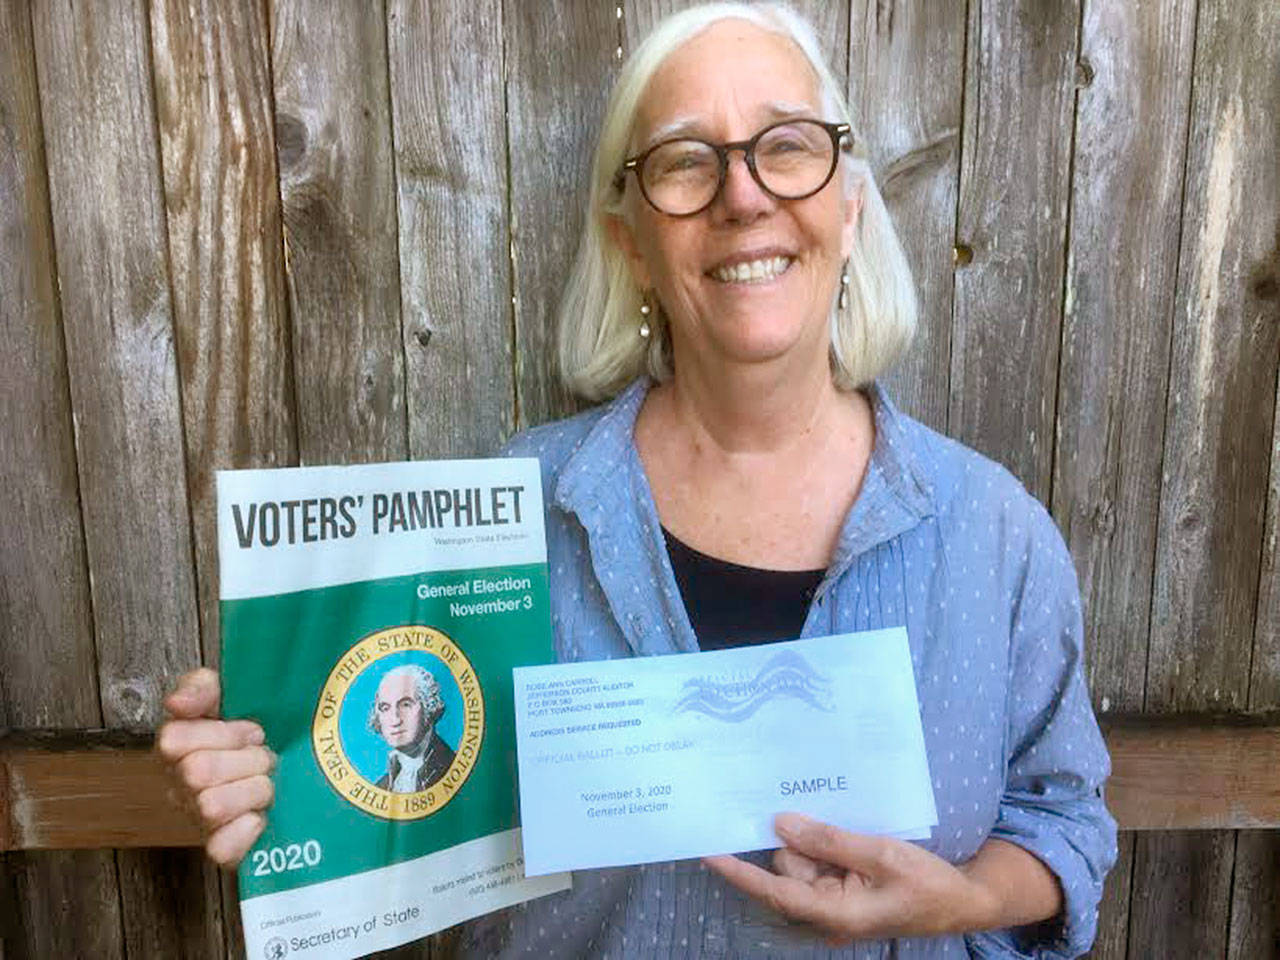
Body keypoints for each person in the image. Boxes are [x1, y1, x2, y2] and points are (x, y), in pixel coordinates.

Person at [158, 3, 1116, 956]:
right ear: (631, 241)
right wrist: (270, 773)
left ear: (851, 200)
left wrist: (955, 901)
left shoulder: (995, 533)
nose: (743, 198)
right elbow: (387, 777)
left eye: (785, 147)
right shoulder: (507, 521)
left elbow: (1064, 825)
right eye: (686, 161)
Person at [368, 664, 455, 793]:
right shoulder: (381, 787)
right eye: (385, 708)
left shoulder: (453, 770)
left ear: (429, 706)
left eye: (405, 705)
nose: (395, 720)